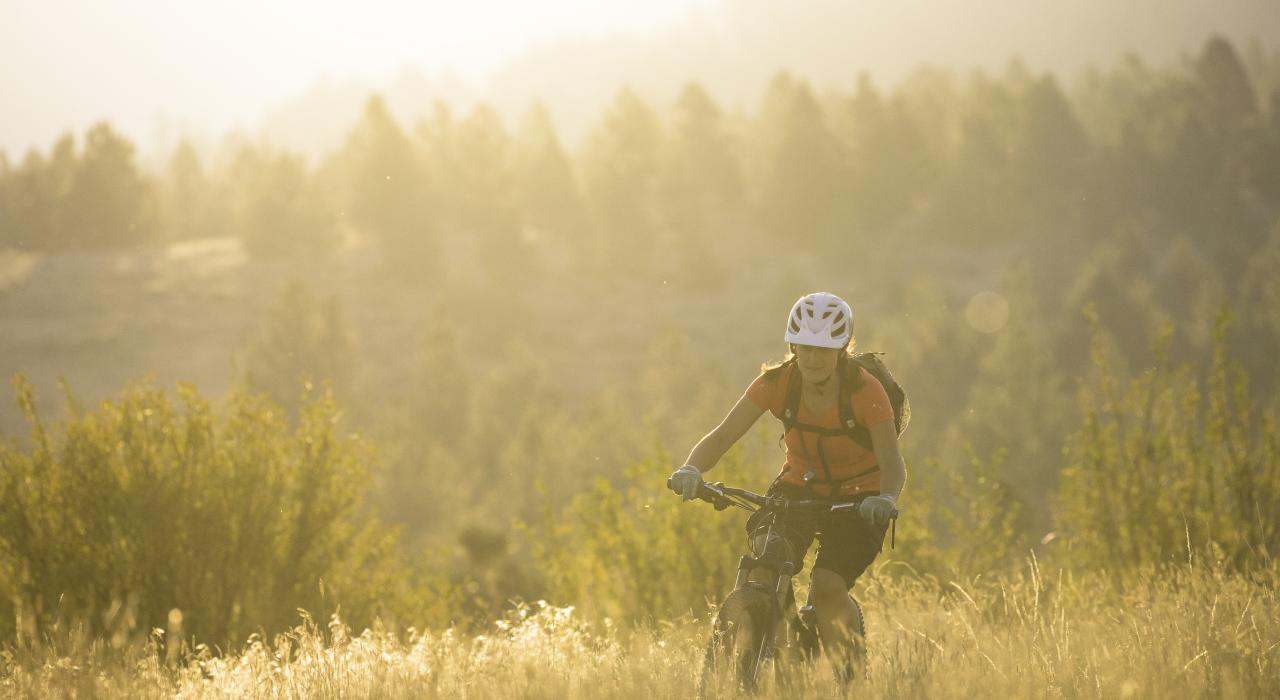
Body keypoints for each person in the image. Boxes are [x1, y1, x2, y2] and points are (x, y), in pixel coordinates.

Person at [668, 291, 906, 677]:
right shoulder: (776, 383)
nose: (812, 358)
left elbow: (893, 463)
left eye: (823, 350)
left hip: (860, 498)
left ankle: (851, 679)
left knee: (827, 588)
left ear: (842, 348)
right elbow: (723, 436)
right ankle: (775, 643)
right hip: (799, 488)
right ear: (792, 344)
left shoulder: (865, 391)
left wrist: (885, 497)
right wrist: (691, 469)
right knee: (764, 564)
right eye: (805, 348)